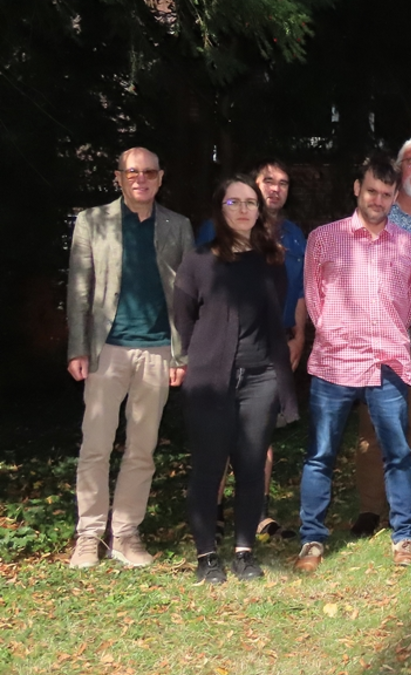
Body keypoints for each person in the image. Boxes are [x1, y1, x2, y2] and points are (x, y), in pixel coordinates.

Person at [295, 153, 411, 572]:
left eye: (387, 194)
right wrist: (337, 332)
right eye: (372, 191)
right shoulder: (323, 239)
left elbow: (407, 304)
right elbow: (315, 299)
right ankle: (312, 540)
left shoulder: (409, 246)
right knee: (321, 454)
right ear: (357, 188)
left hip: (387, 363)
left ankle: (403, 534)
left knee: (398, 453)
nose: (378, 200)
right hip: (334, 362)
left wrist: (382, 334)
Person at [66, 147, 192, 569]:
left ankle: (125, 534)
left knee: (142, 448)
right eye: (132, 172)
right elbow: (79, 289)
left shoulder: (178, 226)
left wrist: (181, 355)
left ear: (160, 177)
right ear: (118, 177)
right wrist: (78, 348)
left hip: (158, 351)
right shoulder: (92, 221)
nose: (141, 179)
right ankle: (88, 536)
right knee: (96, 445)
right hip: (107, 352)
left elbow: (187, 298)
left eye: (150, 172)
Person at [175, 176, 299, 583]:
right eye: (234, 202)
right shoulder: (197, 261)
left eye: (251, 203)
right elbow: (184, 319)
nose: (244, 209)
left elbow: (275, 316)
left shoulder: (271, 260)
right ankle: (207, 556)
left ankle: (244, 551)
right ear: (220, 209)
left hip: (261, 377)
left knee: (250, 466)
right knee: (209, 467)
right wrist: (204, 359)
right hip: (211, 380)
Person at [195, 158, 306, 536]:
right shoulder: (215, 231)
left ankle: (256, 511)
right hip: (227, 345)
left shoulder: (292, 236)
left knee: (261, 430)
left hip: (278, 342)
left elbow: (302, 290)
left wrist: (301, 336)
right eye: (269, 181)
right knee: (223, 430)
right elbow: (199, 290)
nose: (276, 188)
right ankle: (214, 509)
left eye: (284, 183)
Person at [352, 137, 411, 540]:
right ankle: (370, 508)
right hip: (375, 334)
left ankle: (402, 507)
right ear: (399, 165)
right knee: (373, 423)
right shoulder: (378, 212)